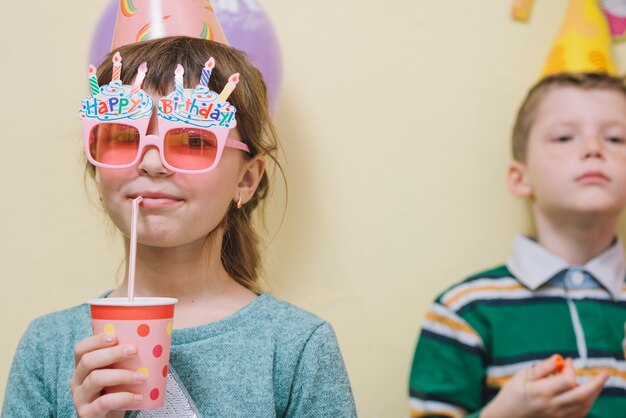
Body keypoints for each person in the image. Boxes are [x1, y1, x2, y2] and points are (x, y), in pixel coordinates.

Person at [2, 36, 356, 417]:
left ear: (246, 180)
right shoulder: (47, 348)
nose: (151, 164)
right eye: (122, 135)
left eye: (192, 140)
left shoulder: (296, 348)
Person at [408, 72, 626, 418]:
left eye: (616, 138)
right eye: (565, 137)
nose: (593, 148)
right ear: (520, 177)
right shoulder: (464, 310)